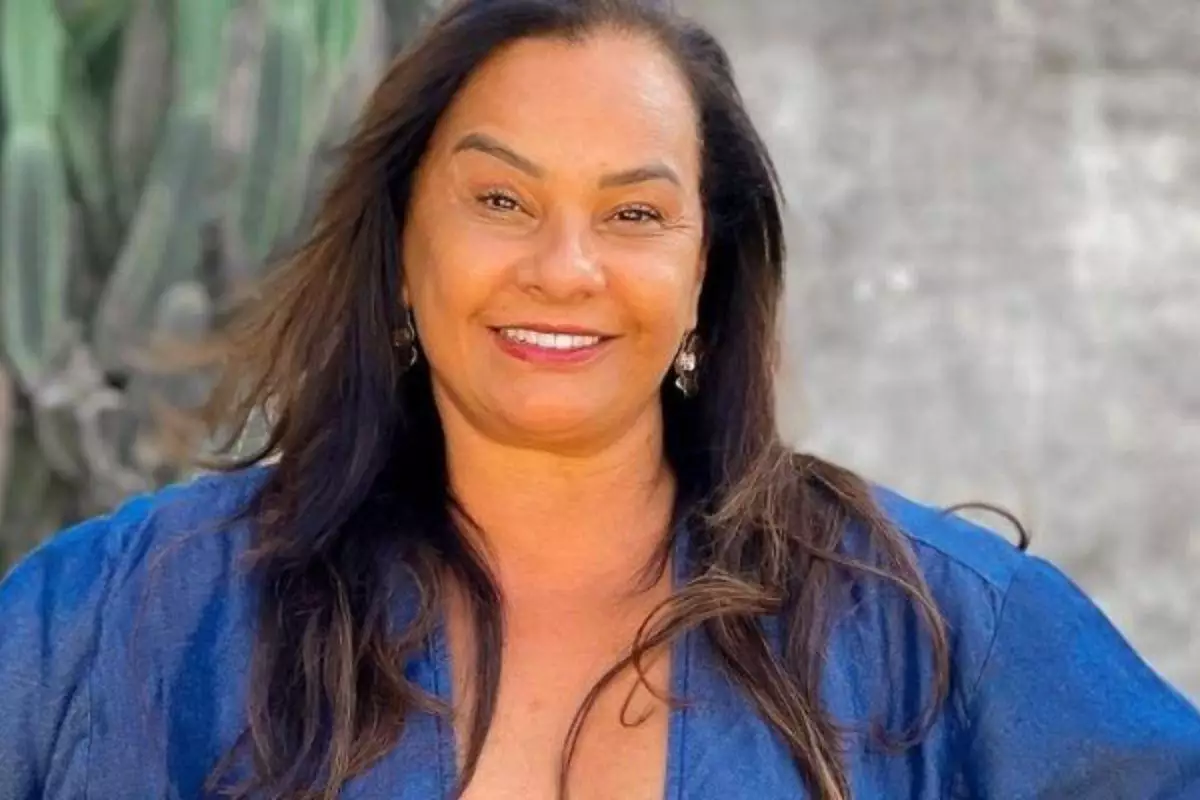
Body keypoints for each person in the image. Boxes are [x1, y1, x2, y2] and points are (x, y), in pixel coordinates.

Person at [3, 0, 1199, 798]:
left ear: (705, 270)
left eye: (634, 212)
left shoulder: (936, 628)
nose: (565, 267)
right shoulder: (121, 612)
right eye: (501, 201)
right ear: (402, 246)